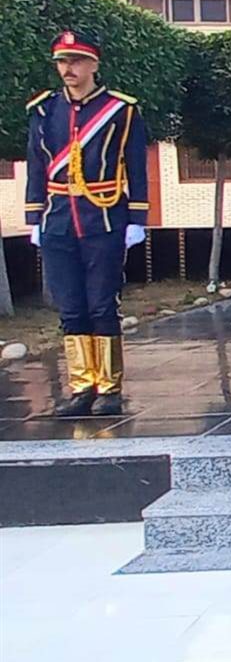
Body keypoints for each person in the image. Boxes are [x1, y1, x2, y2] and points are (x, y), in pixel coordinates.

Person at [25, 31, 148, 417]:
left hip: (104, 218)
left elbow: (137, 167)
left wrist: (137, 218)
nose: (68, 69)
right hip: (59, 219)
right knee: (71, 307)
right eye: (63, 62)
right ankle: (82, 386)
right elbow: (36, 167)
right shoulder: (44, 110)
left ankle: (109, 387)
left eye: (76, 61)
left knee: (101, 305)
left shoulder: (120, 110)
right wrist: (34, 217)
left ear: (94, 64)